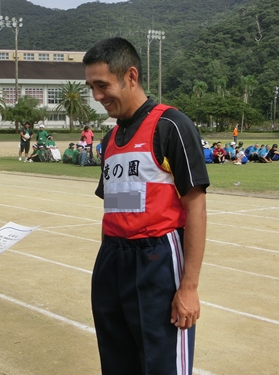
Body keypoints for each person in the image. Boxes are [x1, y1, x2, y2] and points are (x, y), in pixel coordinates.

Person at [84, 37, 209, 375]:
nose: (96, 96)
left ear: (131, 76)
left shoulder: (170, 125)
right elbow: (114, 208)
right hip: (112, 259)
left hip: (157, 261)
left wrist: (189, 287)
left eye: (102, 85)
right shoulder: (110, 140)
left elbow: (195, 207)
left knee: (161, 365)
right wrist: (107, 260)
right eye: (91, 86)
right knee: (117, 362)